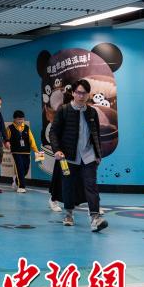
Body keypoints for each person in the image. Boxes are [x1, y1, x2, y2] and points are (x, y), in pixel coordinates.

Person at [50, 79, 107, 232]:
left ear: (88, 95)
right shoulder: (64, 110)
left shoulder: (92, 112)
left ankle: (95, 218)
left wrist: (98, 154)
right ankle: (68, 214)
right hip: (67, 157)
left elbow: (95, 134)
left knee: (91, 185)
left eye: (84, 93)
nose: (81, 96)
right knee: (68, 186)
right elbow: (53, 132)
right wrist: (56, 149)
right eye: (78, 93)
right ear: (73, 93)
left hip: (88, 157)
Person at [7, 110, 39, 193]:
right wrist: (7, 144)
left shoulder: (26, 128)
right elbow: (6, 139)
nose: (21, 121)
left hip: (26, 152)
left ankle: (17, 180)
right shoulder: (10, 128)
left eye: (22, 119)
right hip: (16, 152)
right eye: (19, 119)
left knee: (26, 169)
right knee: (20, 168)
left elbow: (31, 139)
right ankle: (21, 186)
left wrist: (36, 150)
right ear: (14, 119)